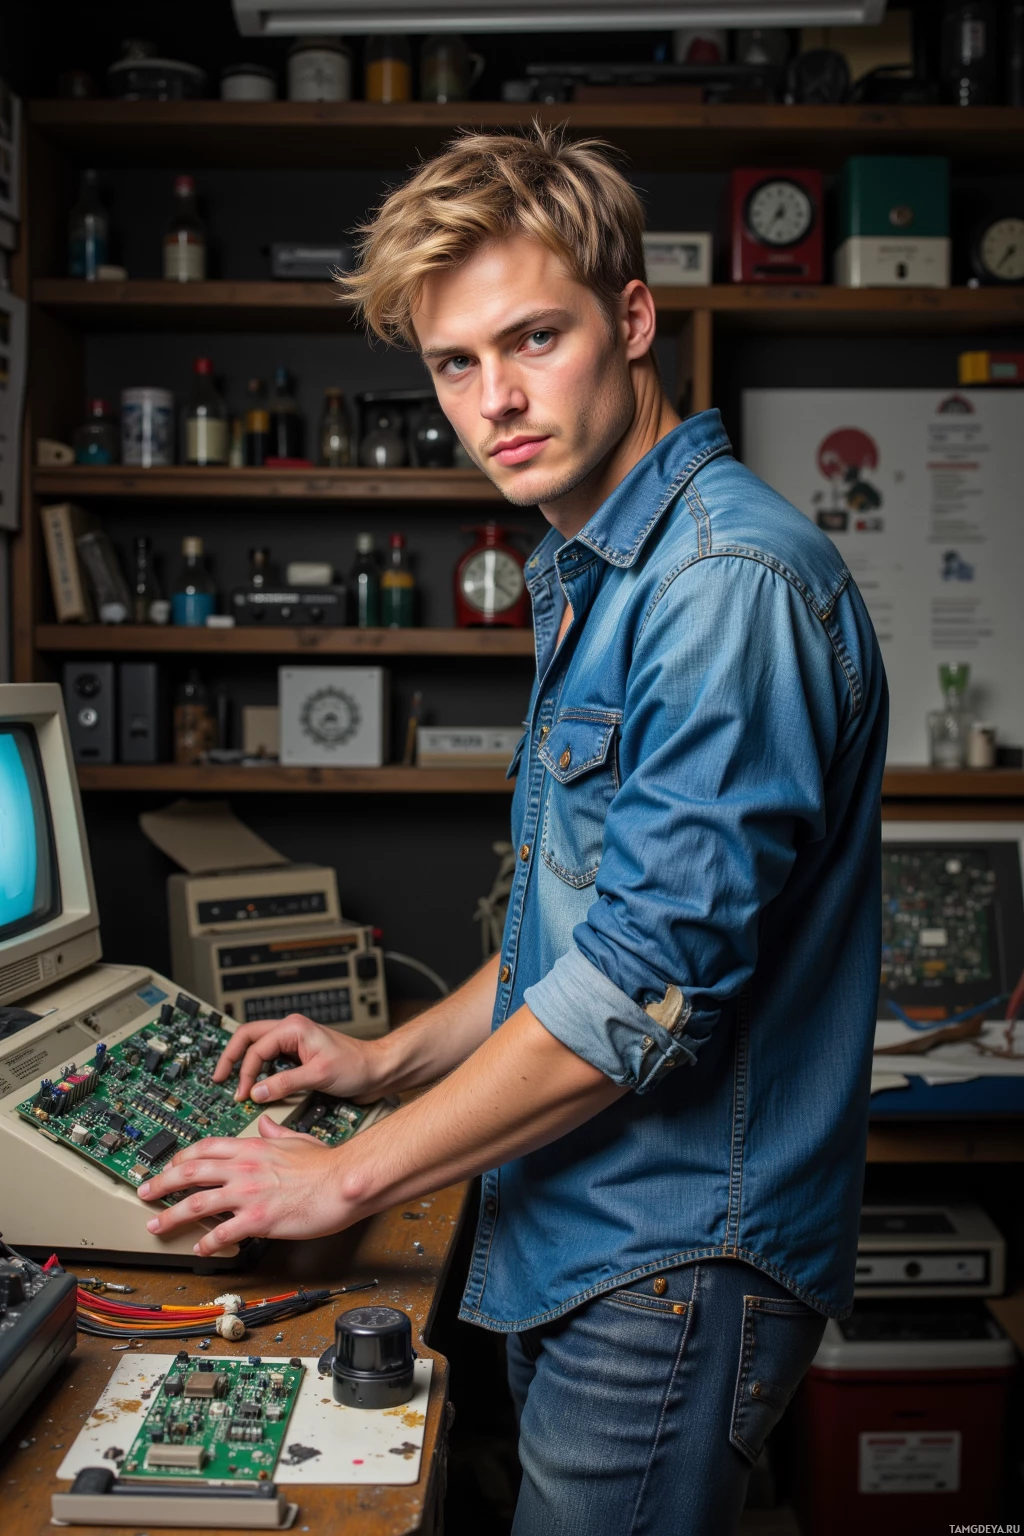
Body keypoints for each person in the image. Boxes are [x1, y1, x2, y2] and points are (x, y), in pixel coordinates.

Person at [139, 125, 888, 1532]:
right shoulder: (615, 566)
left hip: (668, 1265)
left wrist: (351, 1168)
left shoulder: (722, 587)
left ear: (635, 318)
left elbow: (639, 991)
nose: (498, 399)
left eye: (533, 338)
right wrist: (385, 1056)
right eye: (455, 364)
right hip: (594, 1240)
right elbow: (582, 930)